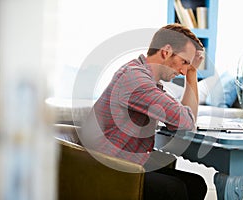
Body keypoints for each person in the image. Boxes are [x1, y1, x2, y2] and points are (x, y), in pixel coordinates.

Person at [86, 23, 207, 200]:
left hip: (125, 162)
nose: (182, 71)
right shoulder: (136, 79)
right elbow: (186, 121)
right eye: (184, 62)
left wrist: (192, 73)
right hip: (108, 169)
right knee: (175, 190)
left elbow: (187, 119)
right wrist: (190, 74)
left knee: (196, 185)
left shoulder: (144, 77)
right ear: (166, 51)